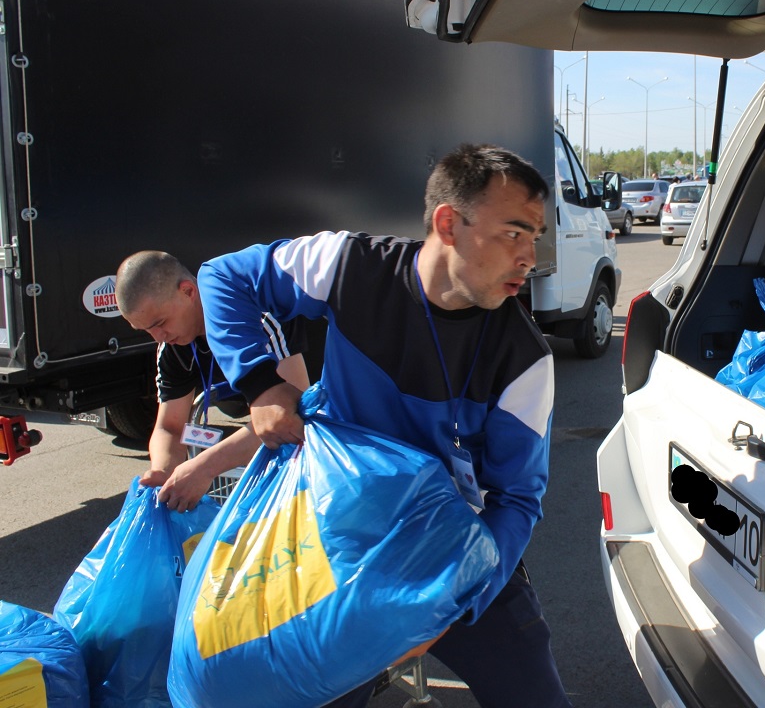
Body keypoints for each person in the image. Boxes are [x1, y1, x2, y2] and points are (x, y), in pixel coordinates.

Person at [197, 143, 571, 708]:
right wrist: (260, 384)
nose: (529, 257)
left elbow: (516, 500)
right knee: (308, 691)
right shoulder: (350, 266)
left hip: (453, 552)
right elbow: (224, 277)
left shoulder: (524, 359)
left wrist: (454, 602)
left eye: (535, 237)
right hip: (339, 538)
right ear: (448, 224)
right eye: (513, 233)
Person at [114, 251, 311, 512]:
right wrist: (163, 470)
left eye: (160, 323)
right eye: (146, 330)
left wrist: (205, 467)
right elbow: (169, 427)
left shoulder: (258, 317)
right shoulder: (173, 348)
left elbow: (288, 416)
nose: (158, 337)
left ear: (188, 291)